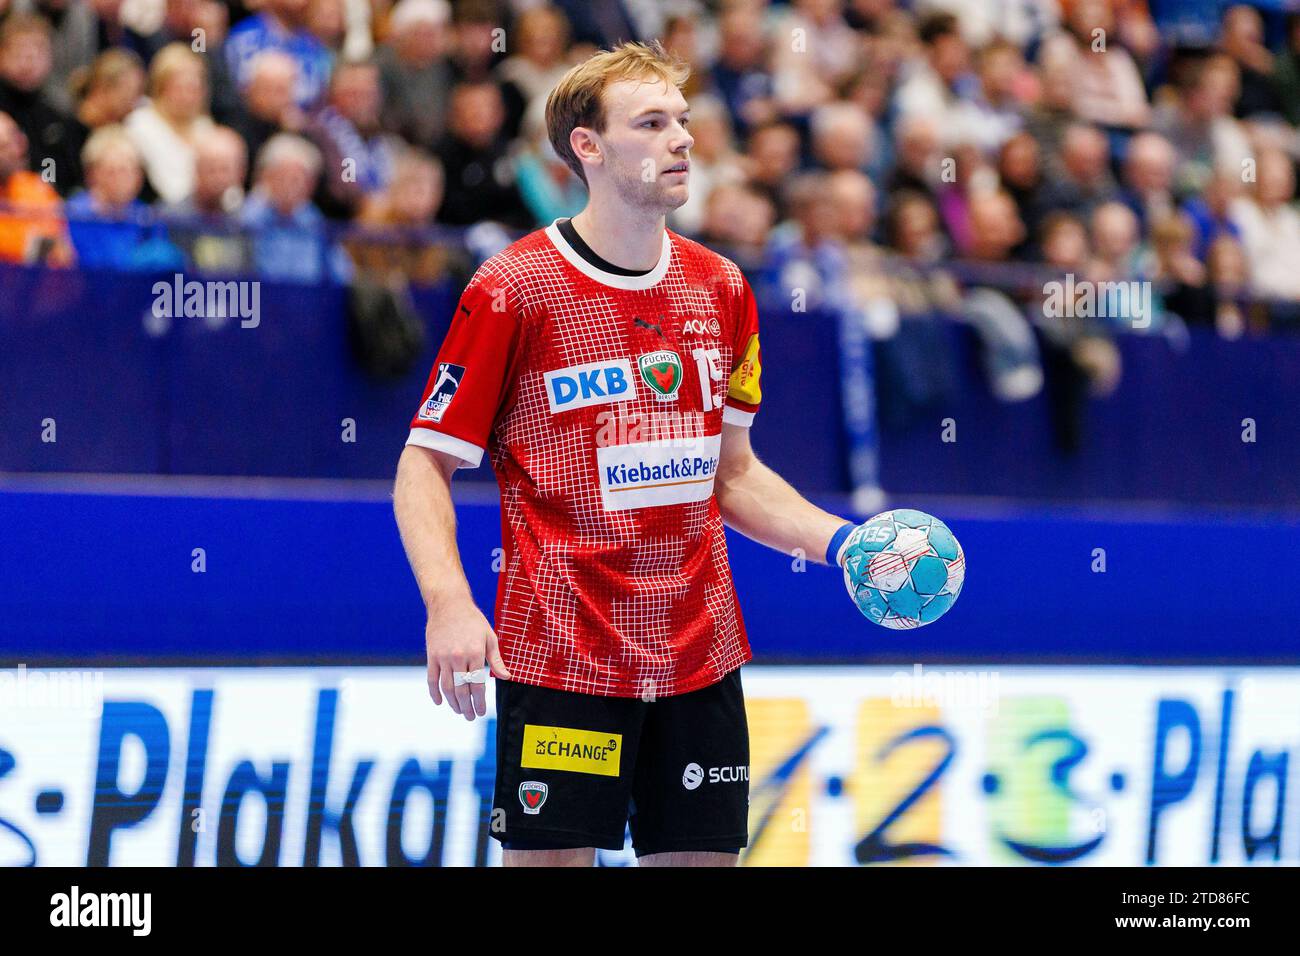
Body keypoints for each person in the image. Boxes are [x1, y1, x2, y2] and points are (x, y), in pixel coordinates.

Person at [392, 41, 860, 868]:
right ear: (588, 147)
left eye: (683, 120)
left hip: (700, 652)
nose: (682, 139)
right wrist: (448, 604)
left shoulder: (722, 288)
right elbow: (423, 464)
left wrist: (844, 544)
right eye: (652, 123)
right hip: (563, 651)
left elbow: (735, 475)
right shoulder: (513, 289)